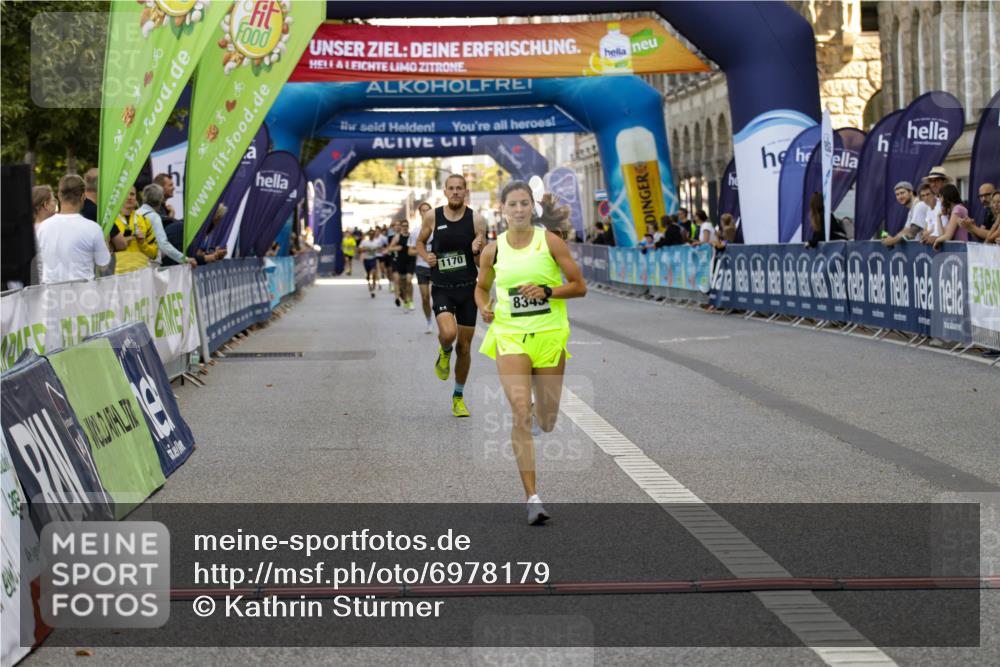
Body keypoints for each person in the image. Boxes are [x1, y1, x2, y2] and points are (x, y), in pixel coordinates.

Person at [474, 180, 587, 524]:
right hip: (510, 336)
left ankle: (541, 414)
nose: (519, 209)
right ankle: (532, 498)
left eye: (525, 203)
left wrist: (547, 291)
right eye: (513, 204)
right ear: (503, 209)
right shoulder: (493, 250)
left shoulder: (549, 242)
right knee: (520, 411)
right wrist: (484, 307)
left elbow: (579, 287)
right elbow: (481, 288)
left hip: (549, 336)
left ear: (532, 207)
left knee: (547, 421)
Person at [416, 174, 487, 417]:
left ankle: (458, 397)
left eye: (460, 188)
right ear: (445, 192)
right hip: (442, 287)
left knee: (465, 349)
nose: (456, 192)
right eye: (451, 188)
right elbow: (420, 242)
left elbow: (481, 262)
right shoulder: (432, 216)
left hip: (468, 289)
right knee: (448, 334)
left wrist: (477, 251)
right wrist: (426, 257)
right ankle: (444, 351)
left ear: (466, 191)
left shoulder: (477, 219)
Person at [36, 174, 110, 283]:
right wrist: (106, 240)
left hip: (50, 291)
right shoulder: (93, 228)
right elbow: (103, 265)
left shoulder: (43, 227)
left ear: (59, 196)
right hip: (83, 291)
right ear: (83, 196)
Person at [139, 183, 196, 268]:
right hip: (148, 265)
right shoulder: (154, 217)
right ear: (161, 199)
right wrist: (184, 259)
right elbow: (163, 244)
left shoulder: (135, 214)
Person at [109, 186, 157, 274]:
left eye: (132, 194)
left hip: (142, 272)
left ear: (136, 198)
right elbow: (104, 249)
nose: (129, 197)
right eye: (125, 194)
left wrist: (143, 243)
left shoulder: (145, 221)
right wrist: (121, 242)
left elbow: (154, 254)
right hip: (119, 273)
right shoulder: (111, 221)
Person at [410, 202, 435, 333]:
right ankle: (429, 321)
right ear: (419, 213)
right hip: (421, 266)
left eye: (428, 210)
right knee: (425, 297)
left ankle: (443, 318)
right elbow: (410, 251)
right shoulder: (415, 231)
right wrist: (423, 251)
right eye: (423, 210)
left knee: (439, 296)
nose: (425, 212)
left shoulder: (438, 229)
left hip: (436, 266)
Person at [882, 181, 930, 247]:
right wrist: (892, 239)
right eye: (897, 194)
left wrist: (892, 241)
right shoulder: (911, 210)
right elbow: (905, 230)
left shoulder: (919, 205)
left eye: (902, 193)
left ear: (911, 192)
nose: (900, 197)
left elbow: (912, 233)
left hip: (930, 248)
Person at [931, 184, 972, 249]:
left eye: (941, 197)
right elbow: (942, 234)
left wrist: (936, 240)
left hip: (961, 249)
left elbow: (948, 236)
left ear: (946, 196)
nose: (940, 200)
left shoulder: (957, 209)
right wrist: (938, 216)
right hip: (958, 249)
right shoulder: (953, 211)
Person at [388, 220, 416, 311]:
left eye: (406, 225)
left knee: (409, 281)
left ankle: (411, 300)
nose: (405, 227)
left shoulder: (412, 236)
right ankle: (405, 300)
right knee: (402, 284)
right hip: (401, 262)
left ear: (408, 226)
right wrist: (396, 248)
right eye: (403, 226)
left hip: (410, 261)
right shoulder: (397, 237)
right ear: (401, 227)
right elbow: (390, 248)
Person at [359, 229, 380, 298]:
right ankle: (369, 284)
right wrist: (365, 249)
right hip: (366, 259)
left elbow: (380, 249)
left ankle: (373, 289)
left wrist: (377, 249)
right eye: (370, 234)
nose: (371, 235)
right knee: (368, 275)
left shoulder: (376, 242)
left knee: (373, 273)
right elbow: (359, 249)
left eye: (372, 234)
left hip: (373, 259)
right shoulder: (364, 242)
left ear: (374, 235)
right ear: (368, 235)